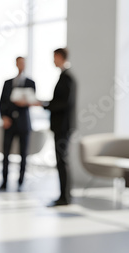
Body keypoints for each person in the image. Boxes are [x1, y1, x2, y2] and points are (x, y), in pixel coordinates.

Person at [43, 48, 77, 207]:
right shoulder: (64, 77)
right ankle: (64, 196)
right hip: (61, 126)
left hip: (62, 126)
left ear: (60, 57)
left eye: (54, 57)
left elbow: (63, 103)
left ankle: (64, 197)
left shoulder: (67, 78)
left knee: (62, 160)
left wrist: (44, 105)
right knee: (61, 160)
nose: (53, 60)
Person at [0, 57, 37, 192]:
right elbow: (1, 102)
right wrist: (4, 117)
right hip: (9, 123)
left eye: (23, 63)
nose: (21, 65)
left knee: (23, 154)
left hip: (23, 124)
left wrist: (25, 103)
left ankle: (20, 182)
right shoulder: (8, 83)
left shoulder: (31, 83)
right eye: (19, 62)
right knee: (6, 153)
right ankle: (4, 182)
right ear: (16, 64)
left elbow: (33, 101)